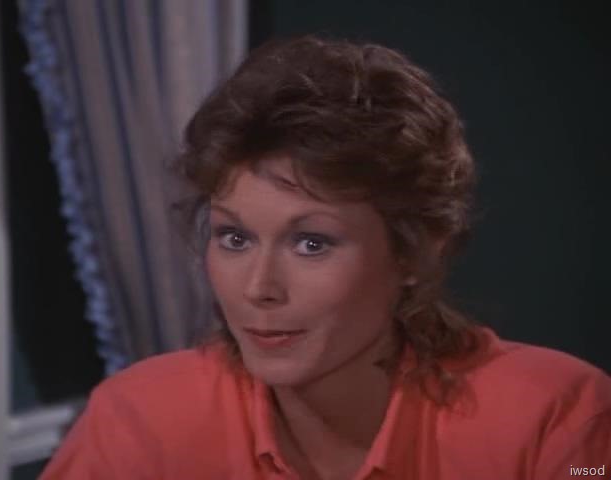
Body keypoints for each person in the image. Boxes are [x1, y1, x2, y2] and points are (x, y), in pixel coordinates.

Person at [40, 36, 611, 480]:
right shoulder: (137, 419)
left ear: (416, 250)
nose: (259, 287)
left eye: (311, 243)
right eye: (234, 238)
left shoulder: (555, 417)